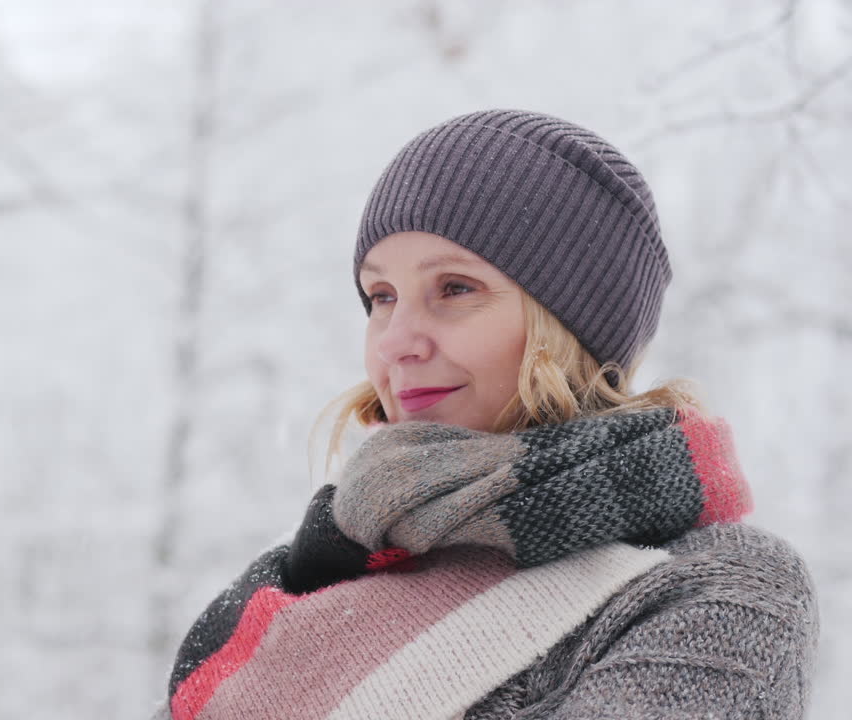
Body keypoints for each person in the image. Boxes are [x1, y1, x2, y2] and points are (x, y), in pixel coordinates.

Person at [155, 109, 818, 719]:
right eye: (381, 295)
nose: (394, 341)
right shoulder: (315, 578)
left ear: (567, 326)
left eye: (455, 288)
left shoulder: (713, 585)